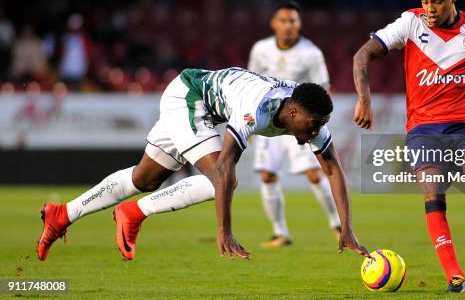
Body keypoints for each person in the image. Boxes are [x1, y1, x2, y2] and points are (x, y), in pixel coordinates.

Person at [37, 67, 368, 261]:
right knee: (222, 179)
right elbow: (224, 169)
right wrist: (224, 231)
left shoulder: (307, 114)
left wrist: (347, 227)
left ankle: (63, 214)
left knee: (145, 179)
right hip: (190, 97)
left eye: (319, 125)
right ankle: (134, 212)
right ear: (293, 113)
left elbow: (333, 169)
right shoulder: (258, 111)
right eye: (312, 125)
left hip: (205, 101)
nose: (314, 132)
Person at [352, 0, 465, 292]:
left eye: (437, 2)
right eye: (424, 1)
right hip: (423, 129)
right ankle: (455, 274)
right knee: (433, 194)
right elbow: (362, 55)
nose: (430, 9)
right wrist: (364, 100)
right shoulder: (409, 23)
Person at [248, 0, 340, 248]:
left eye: (293, 21)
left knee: (313, 173)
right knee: (267, 175)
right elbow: (250, 81)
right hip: (269, 119)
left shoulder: (311, 53)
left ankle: (336, 223)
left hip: (298, 123)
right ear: (274, 24)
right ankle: (280, 233)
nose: (288, 26)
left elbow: (323, 89)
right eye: (284, 21)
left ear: (299, 24)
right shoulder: (260, 49)